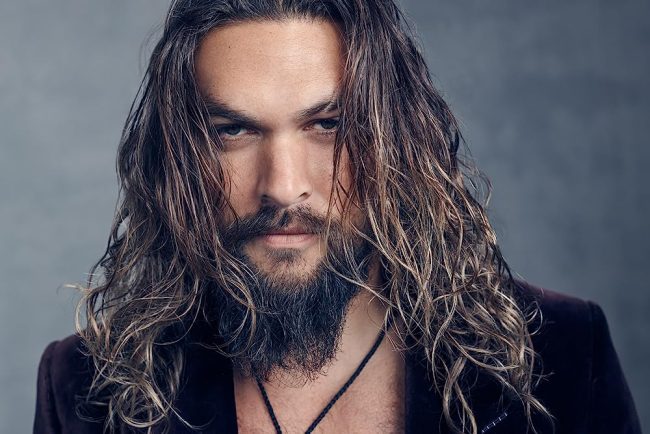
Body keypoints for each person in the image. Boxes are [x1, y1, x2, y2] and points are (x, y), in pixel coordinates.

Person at [33, 1, 641, 433]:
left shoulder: (561, 357)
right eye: (233, 131)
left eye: (328, 125)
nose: (284, 186)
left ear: (396, 138)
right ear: (180, 158)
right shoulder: (85, 389)